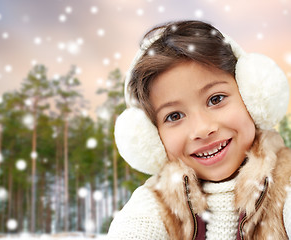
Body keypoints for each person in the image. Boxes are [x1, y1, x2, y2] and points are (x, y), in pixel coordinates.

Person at [107, 20, 291, 239]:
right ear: (153, 136)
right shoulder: (156, 204)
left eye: (216, 99)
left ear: (250, 94)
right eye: (174, 116)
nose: (202, 129)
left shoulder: (284, 181)